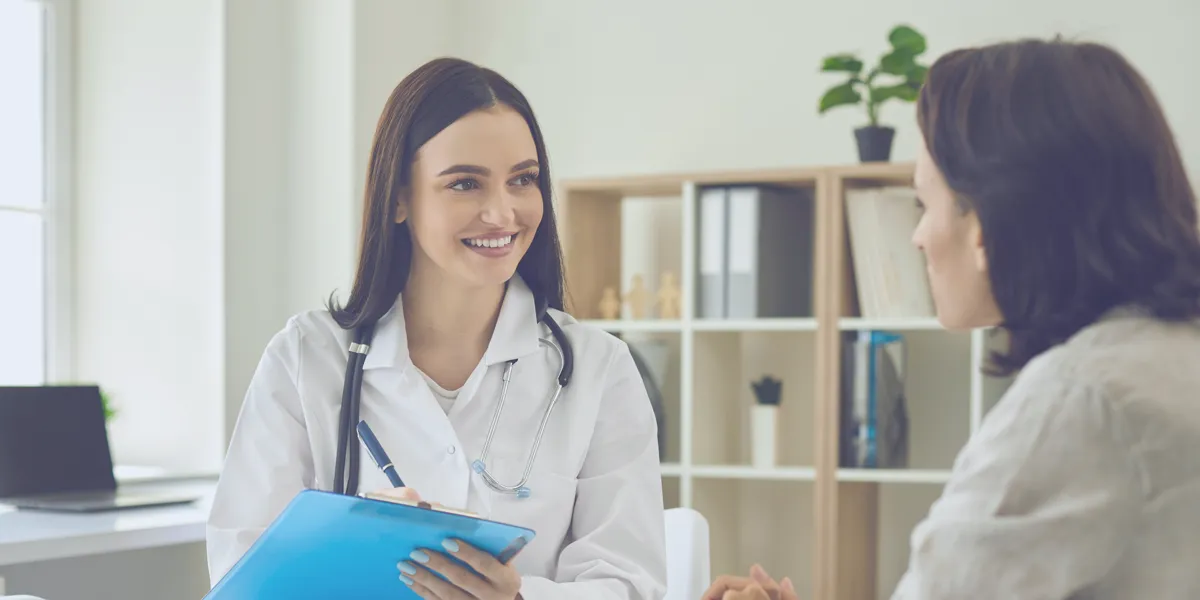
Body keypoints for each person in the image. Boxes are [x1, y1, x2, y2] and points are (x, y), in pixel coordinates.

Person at [705, 37, 1200, 600]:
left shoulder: (1077, 402)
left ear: (983, 224)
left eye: (923, 203)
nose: (917, 237)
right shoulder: (1173, 358)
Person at [206, 57, 668, 600]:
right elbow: (242, 575)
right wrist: (356, 552)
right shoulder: (305, 358)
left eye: (523, 179)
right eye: (466, 184)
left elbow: (631, 584)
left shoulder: (599, 370)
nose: (502, 213)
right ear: (399, 197)